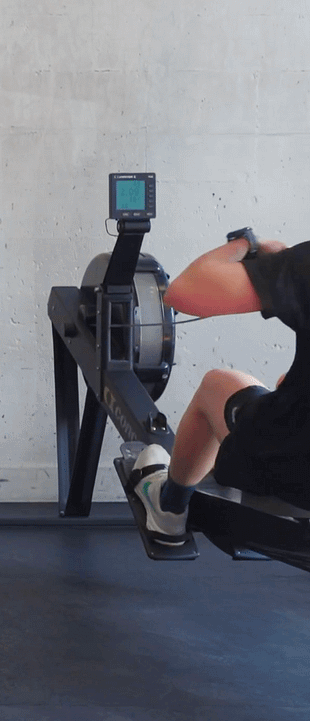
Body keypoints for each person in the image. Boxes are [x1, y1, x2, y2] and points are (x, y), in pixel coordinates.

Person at [130, 232, 308, 542]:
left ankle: (169, 509)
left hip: (294, 471)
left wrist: (244, 248)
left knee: (218, 385)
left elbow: (184, 293)